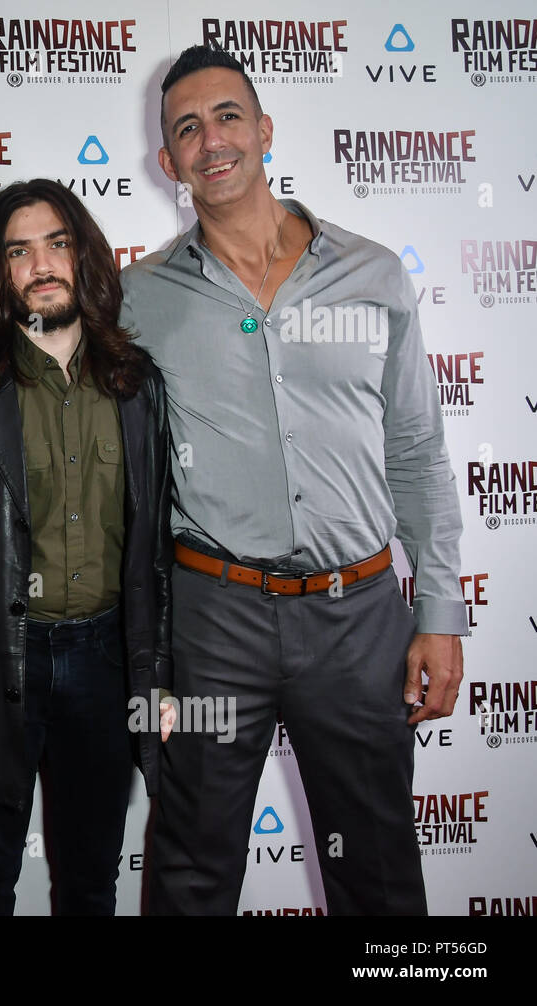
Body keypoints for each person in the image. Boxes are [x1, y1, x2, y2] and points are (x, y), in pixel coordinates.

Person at [121, 45, 466, 915]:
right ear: (168, 162)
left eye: (228, 116)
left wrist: (440, 612)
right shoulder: (138, 297)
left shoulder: (375, 273)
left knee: (380, 872)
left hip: (359, 619)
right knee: (191, 870)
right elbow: (37, 360)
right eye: (187, 129)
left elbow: (418, 450)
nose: (211, 141)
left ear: (265, 129)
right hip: (211, 622)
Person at [0, 179, 175, 914]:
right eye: (19, 250)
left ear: (83, 254)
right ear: (0, 272)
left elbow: (155, 551)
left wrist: (157, 675)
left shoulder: (137, 384)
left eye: (57, 243)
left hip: (105, 661)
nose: (42, 264)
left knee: (92, 875)